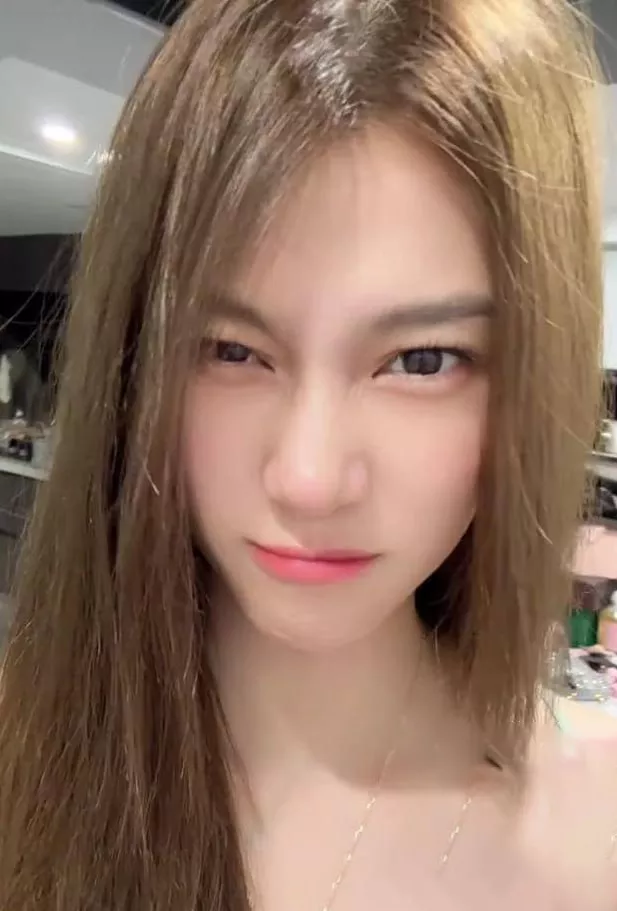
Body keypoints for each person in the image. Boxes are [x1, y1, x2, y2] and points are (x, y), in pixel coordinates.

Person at [0, 0, 612, 908]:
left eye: (422, 360)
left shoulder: (588, 845)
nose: (309, 479)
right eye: (231, 350)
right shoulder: (28, 773)